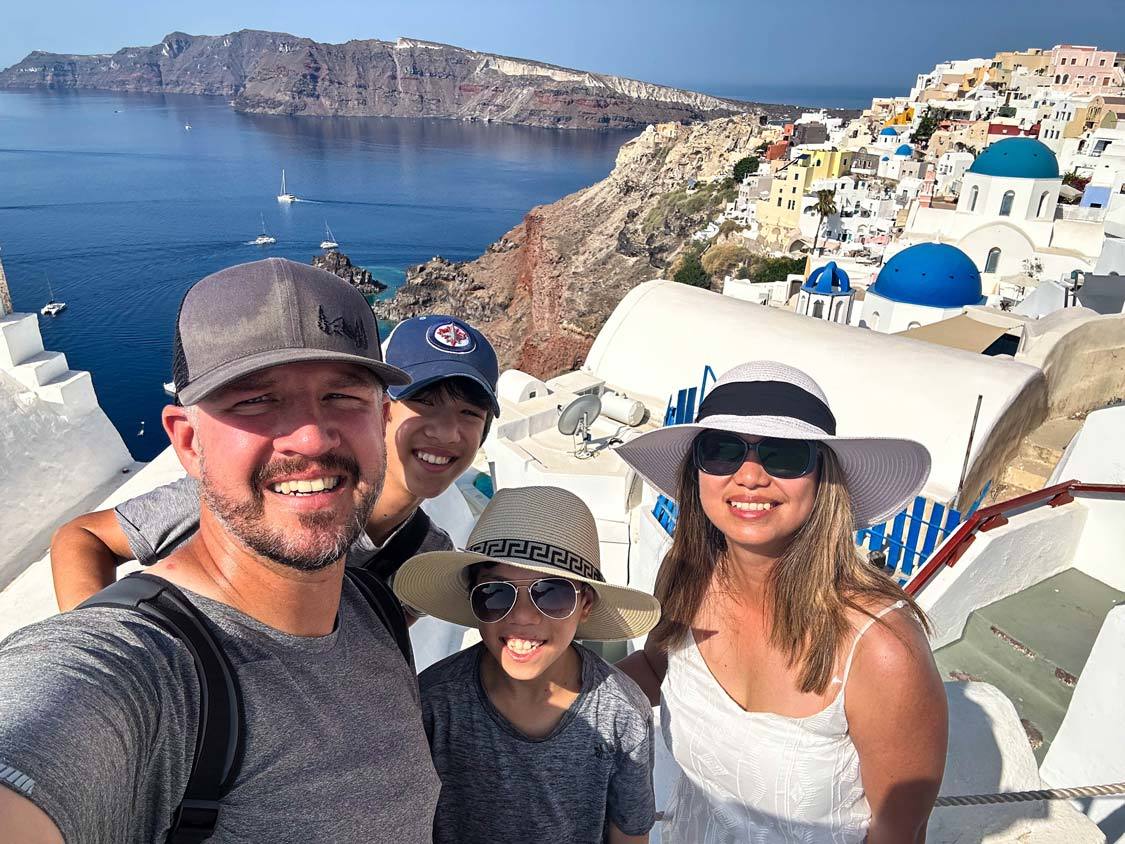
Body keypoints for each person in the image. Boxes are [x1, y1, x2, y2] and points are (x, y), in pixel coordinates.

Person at [0, 258, 441, 842]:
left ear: (381, 420)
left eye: (342, 395)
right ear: (187, 441)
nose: (311, 436)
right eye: (255, 400)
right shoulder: (141, 672)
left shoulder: (374, 610)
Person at [615, 361, 948, 844]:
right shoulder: (687, 577)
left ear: (822, 477)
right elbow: (656, 666)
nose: (750, 476)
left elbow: (900, 833)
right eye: (723, 451)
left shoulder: (880, 649)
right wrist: (557, 690)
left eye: (784, 455)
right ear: (696, 473)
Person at [49, 312, 500, 613]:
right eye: (424, 403)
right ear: (378, 412)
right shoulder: (265, 497)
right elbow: (83, 535)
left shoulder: (427, 556)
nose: (447, 432)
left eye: (470, 414)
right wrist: (109, 647)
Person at [393, 485, 662, 844]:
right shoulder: (434, 702)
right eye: (495, 593)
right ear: (473, 601)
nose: (521, 616)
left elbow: (629, 833)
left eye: (551, 593)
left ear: (585, 604)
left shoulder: (622, 712)